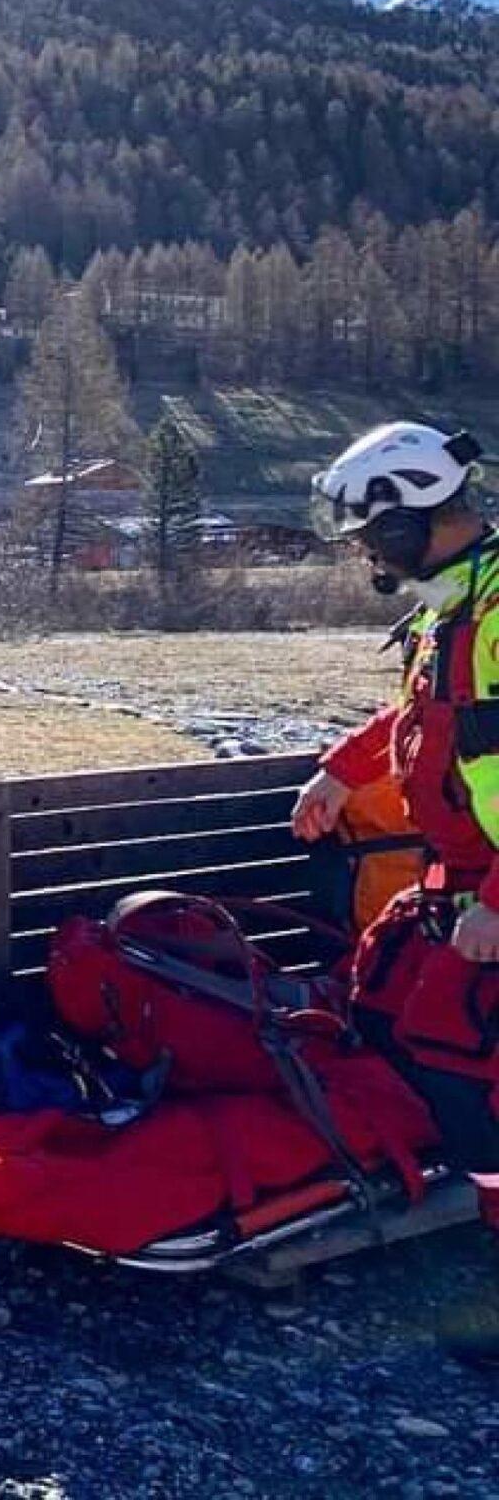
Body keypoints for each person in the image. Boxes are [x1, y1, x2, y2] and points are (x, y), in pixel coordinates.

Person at [291, 422, 499, 1238]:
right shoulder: (454, 605)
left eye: (374, 538)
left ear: (408, 519)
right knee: (378, 1003)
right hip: (459, 884)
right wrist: (343, 769)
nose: (369, 557)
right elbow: (428, 716)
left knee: (458, 1059)